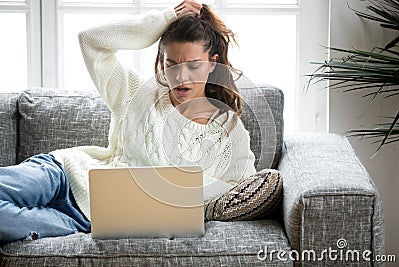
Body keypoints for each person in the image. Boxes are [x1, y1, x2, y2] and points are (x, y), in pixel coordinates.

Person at [0, 0, 256, 244]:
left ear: (212, 64)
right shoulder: (138, 93)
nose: (181, 77)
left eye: (193, 65)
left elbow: (242, 191)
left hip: (86, 219)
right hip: (64, 175)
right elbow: (90, 41)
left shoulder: (229, 130)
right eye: (171, 64)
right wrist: (164, 19)